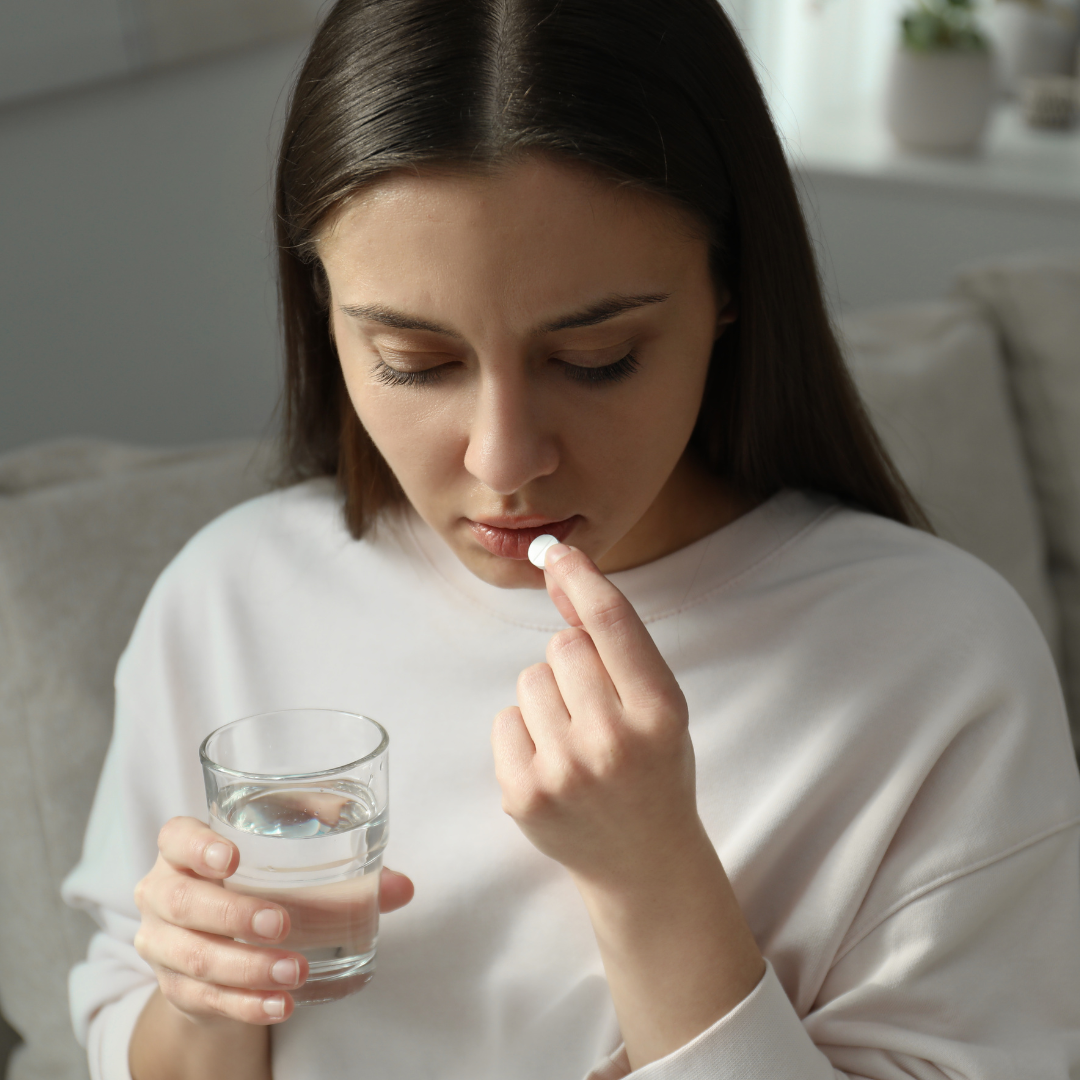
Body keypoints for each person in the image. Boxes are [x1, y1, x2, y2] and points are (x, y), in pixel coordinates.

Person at [61, 1, 1080, 1078]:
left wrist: (653, 880)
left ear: (729, 286)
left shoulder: (938, 658)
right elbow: (140, 1035)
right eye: (416, 359)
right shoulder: (229, 597)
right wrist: (214, 999)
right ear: (324, 310)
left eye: (596, 359)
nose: (505, 463)